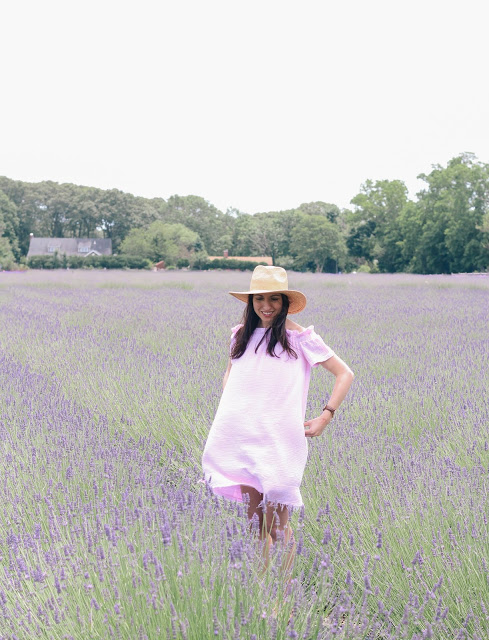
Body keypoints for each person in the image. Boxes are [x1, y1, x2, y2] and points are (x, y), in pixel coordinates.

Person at [202, 265, 354, 562]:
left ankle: (285, 602)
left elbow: (344, 374)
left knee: (278, 526)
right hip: (240, 436)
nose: (266, 306)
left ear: (285, 302)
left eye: (274, 299)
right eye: (259, 299)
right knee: (254, 526)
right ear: (250, 302)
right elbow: (231, 373)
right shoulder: (240, 335)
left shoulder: (299, 338)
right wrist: (232, 407)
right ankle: (264, 597)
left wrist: (325, 416)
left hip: (278, 441)